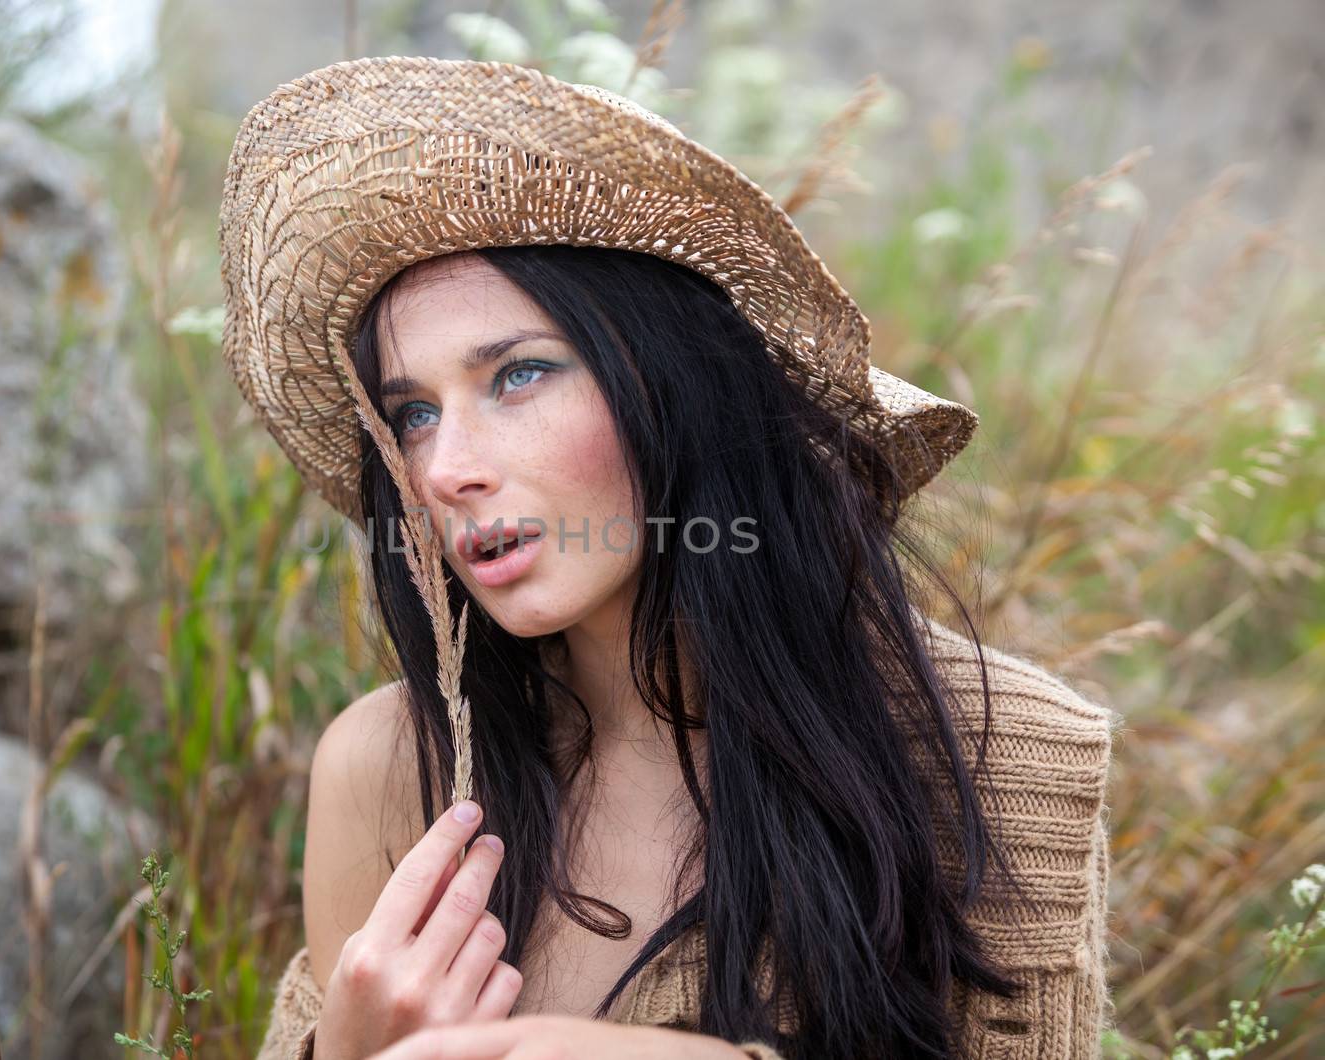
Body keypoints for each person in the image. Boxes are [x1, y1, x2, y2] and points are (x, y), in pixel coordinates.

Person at [219, 56, 1119, 1060]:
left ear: (678, 385)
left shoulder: (1001, 753)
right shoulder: (390, 767)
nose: (445, 469)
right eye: (412, 414)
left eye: (517, 374)